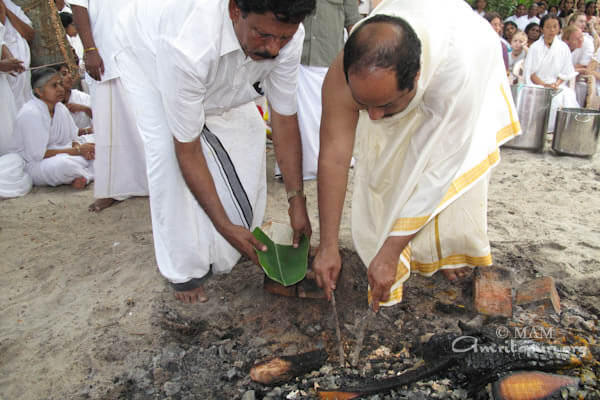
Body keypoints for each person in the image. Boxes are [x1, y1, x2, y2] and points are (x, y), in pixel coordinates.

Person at [312, 0, 520, 311]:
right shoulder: (346, 71)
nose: (374, 117)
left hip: (469, 52)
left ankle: (447, 250)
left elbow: (441, 169)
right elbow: (334, 158)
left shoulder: (458, 71)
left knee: (451, 176)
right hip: (409, 66)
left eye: (386, 105)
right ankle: (401, 246)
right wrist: (328, 245)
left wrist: (392, 250)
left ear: (417, 77)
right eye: (364, 103)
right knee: (385, 171)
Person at [112, 0, 315, 304]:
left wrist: (296, 200)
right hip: (147, 55)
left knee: (251, 129)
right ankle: (184, 270)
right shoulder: (187, 45)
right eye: (263, 35)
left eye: (282, 38)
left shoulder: (287, 38)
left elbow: (284, 120)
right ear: (235, 10)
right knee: (167, 153)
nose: (274, 49)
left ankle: (235, 241)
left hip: (212, 65)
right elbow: (188, 148)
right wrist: (222, 224)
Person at [70, 0, 149, 212]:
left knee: (147, 122)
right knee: (110, 127)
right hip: (106, 55)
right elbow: (78, 7)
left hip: (141, 49)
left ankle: (154, 182)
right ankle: (114, 189)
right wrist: (90, 49)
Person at [286, 0, 361, 180]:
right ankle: (295, 168)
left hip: (328, 58)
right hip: (295, 56)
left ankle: (329, 165)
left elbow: (352, 19)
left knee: (327, 116)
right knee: (292, 115)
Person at [12, 68, 94, 189]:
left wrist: (80, 149)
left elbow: (73, 138)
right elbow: (37, 155)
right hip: (36, 164)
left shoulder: (60, 108)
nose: (60, 89)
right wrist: (77, 151)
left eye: (60, 84)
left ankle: (80, 175)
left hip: (66, 153)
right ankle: (86, 175)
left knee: (97, 149)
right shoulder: (30, 113)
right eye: (54, 86)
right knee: (63, 165)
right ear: (39, 91)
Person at [523, 14, 579, 132]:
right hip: (538, 85)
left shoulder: (563, 48)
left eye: (555, 27)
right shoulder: (535, 48)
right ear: (542, 29)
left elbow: (566, 72)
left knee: (566, 95)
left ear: (559, 29)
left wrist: (556, 84)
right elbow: (530, 73)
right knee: (543, 96)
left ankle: (560, 131)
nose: (552, 30)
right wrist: (545, 85)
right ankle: (540, 130)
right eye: (548, 27)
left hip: (557, 84)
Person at [1, 0, 33, 111]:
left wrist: (7, 11)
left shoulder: (9, 4)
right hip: (6, 76)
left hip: (21, 73)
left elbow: (29, 34)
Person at [57, 64, 92, 131]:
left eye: (69, 73)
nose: (69, 76)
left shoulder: (82, 97)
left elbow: (101, 118)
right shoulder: (51, 104)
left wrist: (85, 109)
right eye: (64, 74)